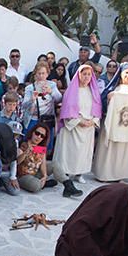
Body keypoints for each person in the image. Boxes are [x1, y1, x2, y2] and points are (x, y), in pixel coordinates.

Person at [93, 63, 128, 182]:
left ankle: (119, 175)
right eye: (126, 72)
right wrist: (109, 98)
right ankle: (105, 174)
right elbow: (102, 103)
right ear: (121, 73)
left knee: (124, 150)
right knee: (110, 149)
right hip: (113, 124)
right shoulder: (113, 88)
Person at [53, 63, 102, 197]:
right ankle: (66, 174)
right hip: (74, 126)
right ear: (79, 75)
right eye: (84, 74)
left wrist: (93, 121)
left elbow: (97, 108)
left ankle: (79, 173)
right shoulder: (71, 91)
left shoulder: (93, 91)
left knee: (83, 152)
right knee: (70, 151)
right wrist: (79, 121)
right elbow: (67, 110)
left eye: (89, 74)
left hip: (88, 126)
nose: (86, 77)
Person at [21, 62, 60, 153]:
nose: (41, 76)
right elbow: (24, 105)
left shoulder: (52, 85)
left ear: (47, 74)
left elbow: (59, 99)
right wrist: (32, 99)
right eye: (39, 73)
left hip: (47, 120)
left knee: (43, 146)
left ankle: (42, 165)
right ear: (35, 74)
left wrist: (51, 92)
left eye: (43, 73)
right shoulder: (30, 88)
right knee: (30, 146)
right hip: (33, 119)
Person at [0, 92, 24, 195]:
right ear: (4, 104)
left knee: (15, 192)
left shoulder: (16, 118)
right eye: (9, 104)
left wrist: (13, 177)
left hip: (10, 147)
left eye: (14, 105)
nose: (11, 107)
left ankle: (7, 177)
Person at [16, 124, 52, 192]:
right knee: (35, 186)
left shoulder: (40, 148)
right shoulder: (23, 144)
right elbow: (17, 162)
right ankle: (42, 184)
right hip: (23, 176)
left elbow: (43, 164)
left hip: (35, 173)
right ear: (32, 132)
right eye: (37, 133)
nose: (38, 137)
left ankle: (67, 184)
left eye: (42, 136)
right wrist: (26, 153)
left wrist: (45, 176)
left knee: (54, 164)